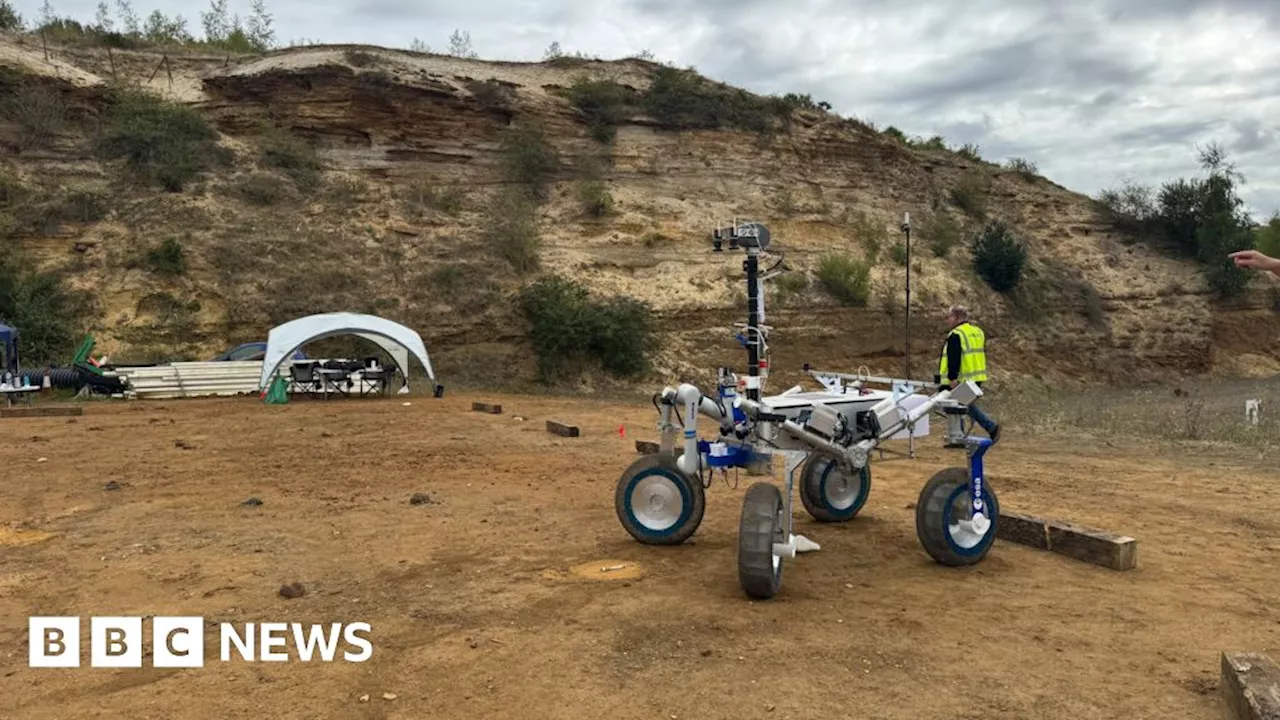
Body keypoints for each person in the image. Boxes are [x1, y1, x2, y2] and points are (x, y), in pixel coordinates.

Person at [935, 304, 1001, 443]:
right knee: (963, 404)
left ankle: (989, 427)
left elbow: (954, 357)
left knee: (957, 405)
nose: (947, 320)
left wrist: (952, 377)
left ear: (957, 317)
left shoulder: (956, 334)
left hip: (961, 378)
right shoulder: (977, 332)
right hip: (976, 377)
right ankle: (961, 433)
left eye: (949, 317)